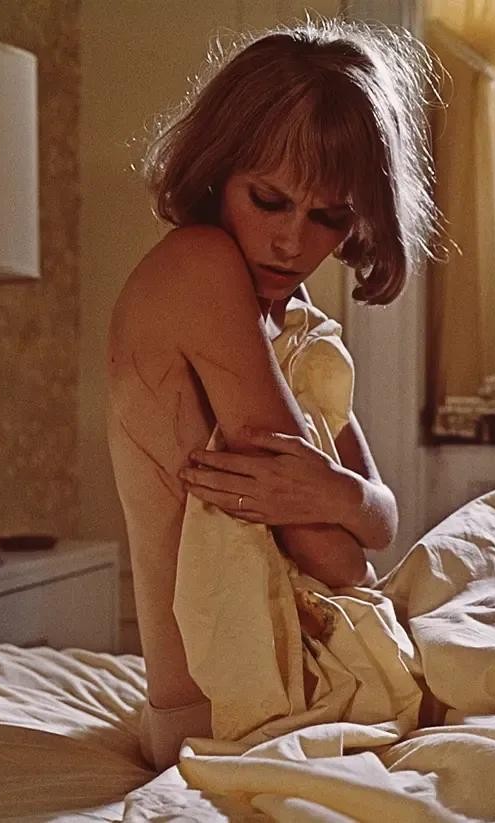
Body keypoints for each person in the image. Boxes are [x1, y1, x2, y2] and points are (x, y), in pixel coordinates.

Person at [105, 16, 445, 770]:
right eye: (268, 200)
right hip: (233, 710)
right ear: (217, 170)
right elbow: (337, 555)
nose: (293, 242)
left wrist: (339, 497)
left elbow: (382, 516)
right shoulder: (198, 268)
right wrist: (342, 504)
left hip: (308, 670)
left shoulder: (290, 315)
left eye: (327, 216)